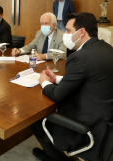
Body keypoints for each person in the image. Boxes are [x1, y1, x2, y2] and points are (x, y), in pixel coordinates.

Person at [32, 12, 113, 161]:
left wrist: (44, 82)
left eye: (68, 31)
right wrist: (56, 78)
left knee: (37, 121)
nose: (66, 35)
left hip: (88, 127)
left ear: (81, 32)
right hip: (105, 121)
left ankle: (56, 157)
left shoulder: (80, 57)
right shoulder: (106, 48)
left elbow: (57, 95)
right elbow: (88, 78)